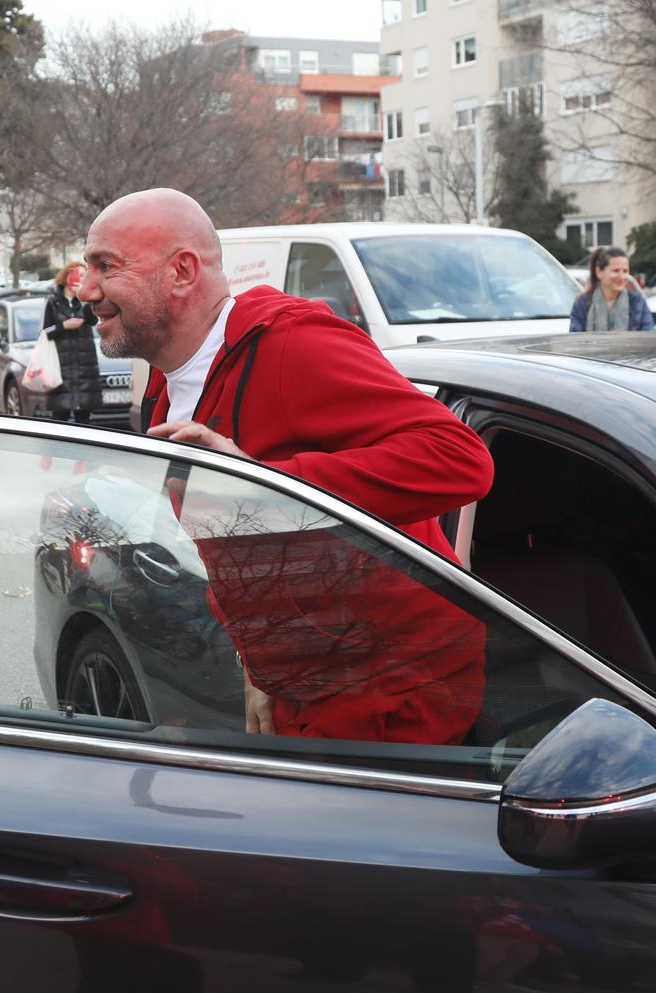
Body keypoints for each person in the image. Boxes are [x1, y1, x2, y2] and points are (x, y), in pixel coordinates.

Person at [82, 188, 494, 744]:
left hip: (398, 699)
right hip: (309, 685)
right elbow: (244, 552)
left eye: (106, 266)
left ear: (181, 272)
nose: (85, 289)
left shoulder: (289, 345)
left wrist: (261, 480)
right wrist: (260, 663)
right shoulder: (168, 384)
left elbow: (460, 458)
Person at [42, 261, 102, 424]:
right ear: (66, 275)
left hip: (84, 368)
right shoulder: (53, 301)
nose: (80, 278)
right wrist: (63, 326)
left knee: (84, 419)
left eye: (83, 275)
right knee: (59, 418)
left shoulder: (86, 300)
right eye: (76, 274)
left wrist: (83, 300)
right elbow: (45, 332)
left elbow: (93, 320)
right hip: (61, 368)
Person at [570, 245, 654, 332]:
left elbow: (648, 335)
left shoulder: (637, 302)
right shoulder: (582, 304)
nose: (622, 277)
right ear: (599, 272)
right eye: (616, 271)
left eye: (625, 271)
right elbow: (575, 337)